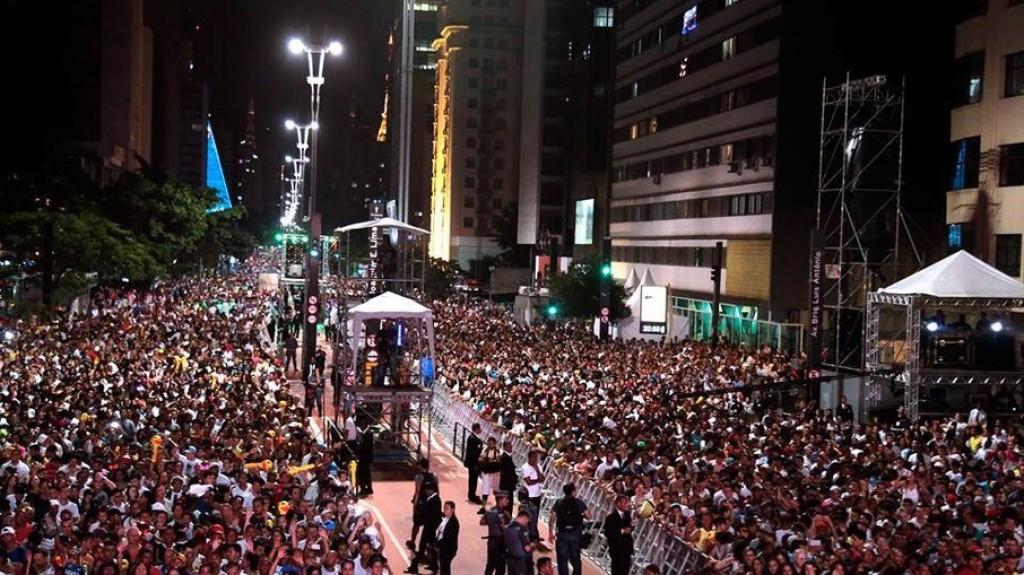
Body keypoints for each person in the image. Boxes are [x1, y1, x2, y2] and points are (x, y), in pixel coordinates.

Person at [549, 483, 591, 575]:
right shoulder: (579, 502)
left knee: (562, 558)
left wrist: (550, 532)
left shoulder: (559, 502)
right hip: (575, 534)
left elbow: (552, 517)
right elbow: (589, 516)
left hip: (562, 533)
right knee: (575, 557)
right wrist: (580, 515)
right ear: (573, 491)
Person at [405, 483, 441, 574]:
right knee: (431, 548)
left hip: (430, 529)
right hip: (430, 528)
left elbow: (429, 515)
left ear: (432, 490)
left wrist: (419, 519)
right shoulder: (434, 499)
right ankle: (434, 565)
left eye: (427, 490)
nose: (425, 492)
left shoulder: (434, 500)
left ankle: (414, 567)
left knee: (422, 548)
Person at [408, 459, 438, 551]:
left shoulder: (418, 477)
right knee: (429, 526)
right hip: (432, 505)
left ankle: (412, 542)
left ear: (420, 466)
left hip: (421, 504)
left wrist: (415, 505)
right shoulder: (434, 476)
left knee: (416, 524)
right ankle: (429, 546)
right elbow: (437, 491)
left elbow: (417, 492)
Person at [520, 449, 545, 548]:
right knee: (528, 516)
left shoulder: (538, 467)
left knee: (535, 516)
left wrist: (537, 471)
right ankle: (527, 535)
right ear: (530, 457)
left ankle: (534, 534)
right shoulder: (525, 468)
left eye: (537, 458)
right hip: (528, 496)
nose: (536, 460)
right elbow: (528, 482)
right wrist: (537, 480)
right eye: (534, 457)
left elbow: (542, 479)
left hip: (536, 495)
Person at [603, 495, 635, 575]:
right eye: (624, 503)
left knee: (625, 571)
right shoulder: (610, 518)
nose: (626, 505)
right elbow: (608, 533)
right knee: (617, 571)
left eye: (626, 503)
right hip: (616, 549)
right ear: (618, 503)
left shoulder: (627, 514)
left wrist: (631, 527)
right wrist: (622, 531)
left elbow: (630, 526)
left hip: (627, 549)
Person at [482, 491, 511, 575]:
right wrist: (509, 521)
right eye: (506, 499)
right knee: (500, 568)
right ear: (500, 500)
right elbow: (504, 528)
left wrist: (492, 523)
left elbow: (482, 522)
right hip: (499, 543)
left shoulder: (490, 510)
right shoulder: (501, 514)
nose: (507, 501)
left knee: (490, 565)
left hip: (491, 542)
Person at [503, 510, 533, 575]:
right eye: (526, 521)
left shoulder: (506, 528)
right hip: (520, 562)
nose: (526, 523)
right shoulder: (521, 530)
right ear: (523, 518)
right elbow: (527, 548)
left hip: (510, 560)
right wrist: (535, 546)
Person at [478, 437, 502, 514]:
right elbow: (480, 458)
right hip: (486, 473)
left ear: (495, 443)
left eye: (491, 443)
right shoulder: (485, 450)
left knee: (496, 491)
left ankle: (498, 507)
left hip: (496, 473)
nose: (489, 445)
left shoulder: (499, 451)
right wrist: (484, 459)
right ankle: (483, 507)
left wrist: (495, 460)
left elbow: (500, 461)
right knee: (485, 490)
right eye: (488, 443)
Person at [434, 501, 460, 575]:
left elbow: (448, 538)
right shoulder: (445, 518)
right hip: (442, 547)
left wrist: (438, 544)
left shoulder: (453, 523)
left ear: (452, 510)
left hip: (448, 549)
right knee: (443, 567)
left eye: (447, 508)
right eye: (444, 508)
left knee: (445, 567)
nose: (445, 510)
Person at [464, 423, 484, 505]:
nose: (481, 430)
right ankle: (471, 496)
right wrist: (475, 464)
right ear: (476, 429)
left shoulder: (475, 438)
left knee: (474, 480)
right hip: (473, 464)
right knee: (472, 480)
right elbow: (473, 453)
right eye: (479, 428)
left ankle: (472, 495)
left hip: (474, 463)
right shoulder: (472, 438)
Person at [356, 427, 375, 497]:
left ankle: (363, 489)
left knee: (362, 475)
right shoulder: (369, 443)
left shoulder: (365, 444)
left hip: (363, 460)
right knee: (367, 475)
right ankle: (369, 488)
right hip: (367, 460)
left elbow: (360, 450)